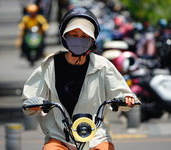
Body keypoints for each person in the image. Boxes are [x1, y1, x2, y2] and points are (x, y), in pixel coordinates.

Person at [21, 7, 139, 150]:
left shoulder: (103, 65)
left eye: (85, 36)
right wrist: (34, 104)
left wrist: (127, 98)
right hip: (59, 137)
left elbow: (121, 92)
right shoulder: (49, 65)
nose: (79, 40)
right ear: (64, 37)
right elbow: (29, 100)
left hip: (95, 137)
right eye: (74, 35)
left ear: (93, 40)